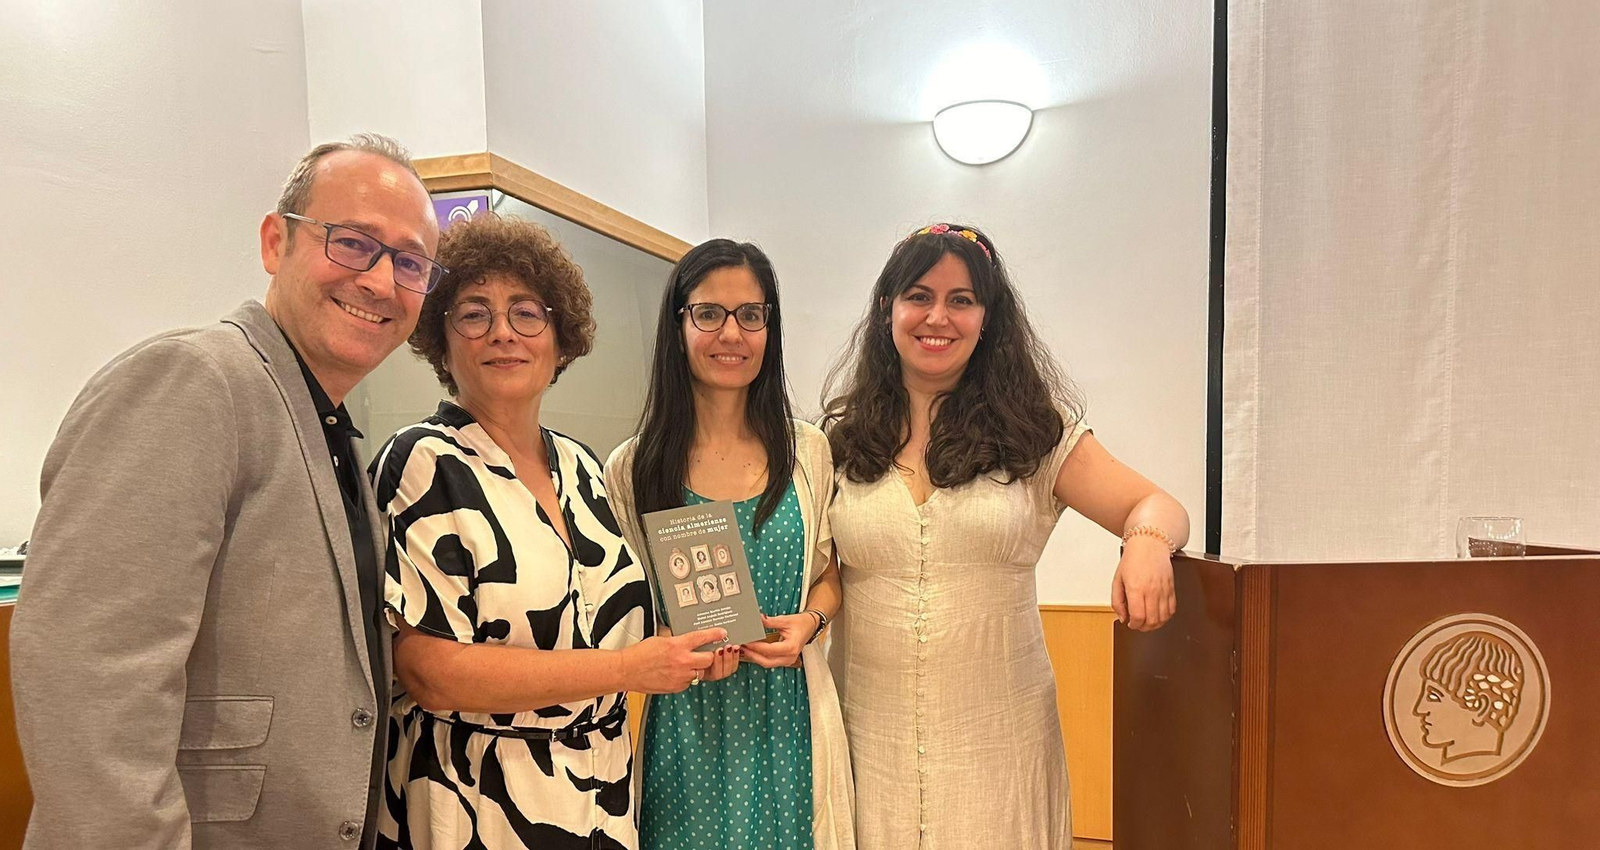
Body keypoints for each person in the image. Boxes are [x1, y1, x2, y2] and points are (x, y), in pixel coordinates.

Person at [10, 134, 441, 849]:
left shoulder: (329, 423)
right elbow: (90, 678)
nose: (380, 281)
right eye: (354, 242)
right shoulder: (192, 381)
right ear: (277, 242)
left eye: (410, 262)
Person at [821, 223, 1188, 849]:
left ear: (988, 318)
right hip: (867, 745)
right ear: (887, 309)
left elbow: (1155, 503)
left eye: (961, 299)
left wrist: (1149, 543)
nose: (938, 316)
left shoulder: (1035, 433)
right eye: (919, 295)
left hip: (999, 745)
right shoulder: (837, 440)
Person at [370, 215, 720, 850]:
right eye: (474, 314)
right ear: (441, 342)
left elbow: (600, 622)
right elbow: (429, 671)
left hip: (602, 789)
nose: (503, 332)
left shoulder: (583, 466)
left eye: (527, 313)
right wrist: (623, 668)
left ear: (561, 342)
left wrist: (673, 653)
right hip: (476, 796)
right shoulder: (424, 462)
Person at [605, 239, 855, 850]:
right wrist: (665, 645)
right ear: (679, 324)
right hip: (685, 723)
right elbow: (621, 608)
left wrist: (812, 623)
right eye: (709, 313)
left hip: (788, 711)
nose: (732, 334)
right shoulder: (632, 468)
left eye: (751, 314)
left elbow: (830, 574)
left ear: (769, 325)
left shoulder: (808, 452)